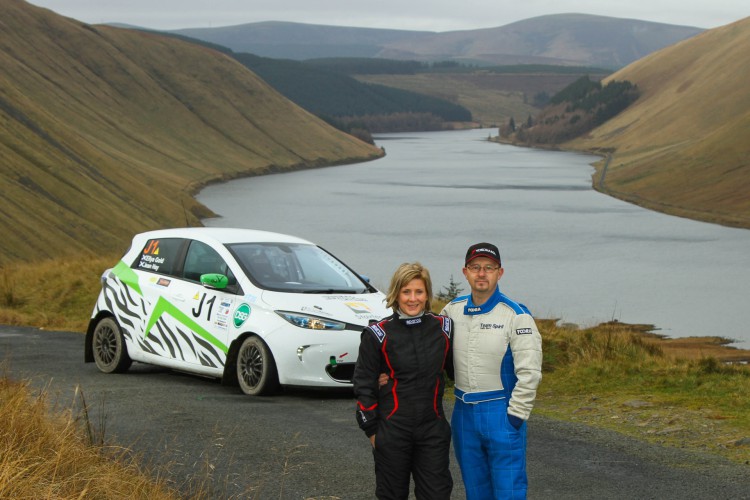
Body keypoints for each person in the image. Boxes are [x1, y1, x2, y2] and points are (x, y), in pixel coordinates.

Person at [440, 242, 543, 500]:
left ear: (500, 272)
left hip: (501, 412)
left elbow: (530, 373)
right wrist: (388, 373)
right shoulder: (451, 311)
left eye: (489, 267)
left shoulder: (516, 315)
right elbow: (428, 352)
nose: (482, 273)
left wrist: (516, 416)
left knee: (509, 492)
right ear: (465, 272)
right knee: (475, 491)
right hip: (463, 413)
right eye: (475, 267)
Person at [352, 262, 454, 500]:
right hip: (392, 431)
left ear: (427, 294)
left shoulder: (444, 328)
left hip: (433, 430)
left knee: (437, 495)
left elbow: (459, 372)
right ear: (396, 293)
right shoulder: (377, 334)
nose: (412, 299)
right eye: (406, 291)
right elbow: (363, 385)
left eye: (419, 291)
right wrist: (372, 432)